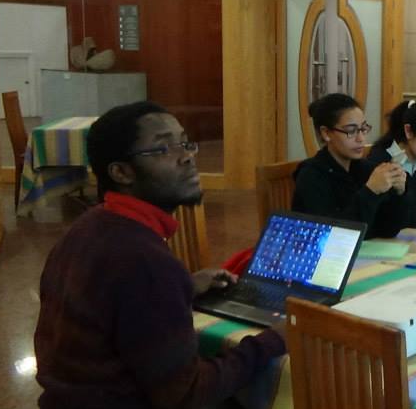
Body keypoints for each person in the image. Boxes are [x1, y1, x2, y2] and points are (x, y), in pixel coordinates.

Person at [35, 101, 286, 408]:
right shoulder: (146, 261)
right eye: (163, 148)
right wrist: (273, 340)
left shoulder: (89, 226)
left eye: (185, 143)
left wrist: (184, 287)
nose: (188, 157)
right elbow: (187, 396)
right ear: (121, 172)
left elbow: (116, 308)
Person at [291, 93, 409, 239]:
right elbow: (333, 236)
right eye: (351, 131)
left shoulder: (365, 169)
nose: (361, 138)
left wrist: (399, 193)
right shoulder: (311, 176)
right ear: (326, 133)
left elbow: (387, 230)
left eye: (363, 129)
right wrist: (370, 191)